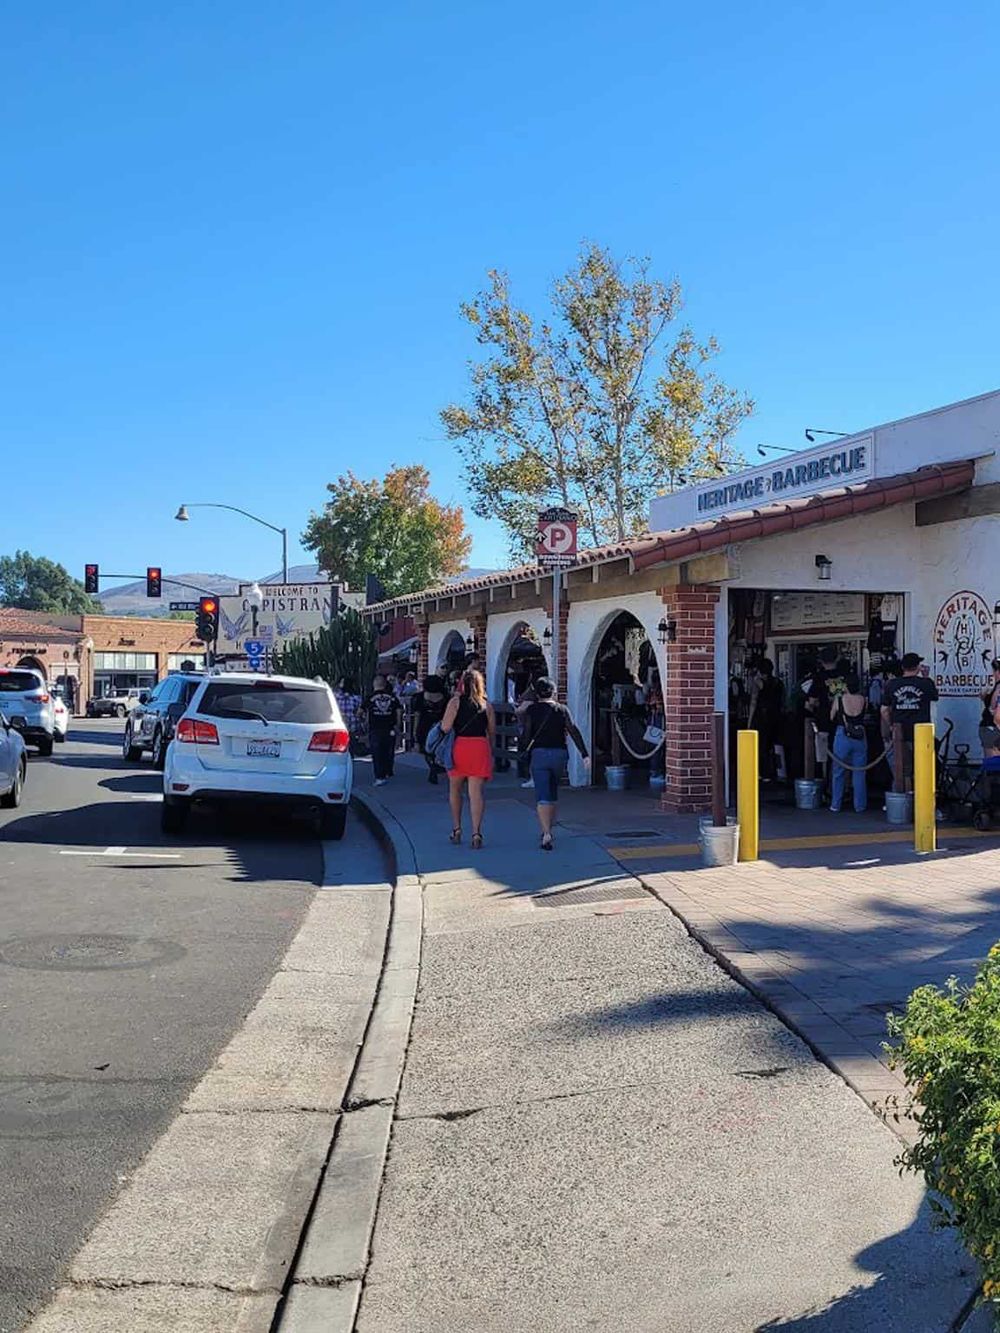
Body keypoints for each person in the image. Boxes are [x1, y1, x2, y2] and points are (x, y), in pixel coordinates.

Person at [521, 677, 589, 850]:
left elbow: (527, 734)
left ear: (537, 693)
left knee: (542, 794)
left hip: (539, 754)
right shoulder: (562, 709)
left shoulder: (532, 710)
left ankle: (546, 833)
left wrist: (523, 751)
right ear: (554, 692)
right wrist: (584, 754)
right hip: (559, 754)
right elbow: (573, 730)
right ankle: (550, 827)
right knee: (552, 790)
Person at [440, 668, 495, 849]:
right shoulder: (486, 705)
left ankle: (456, 829)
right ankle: (476, 832)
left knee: (455, 790)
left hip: (460, 746)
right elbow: (492, 732)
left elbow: (446, 727)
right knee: (476, 793)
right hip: (479, 746)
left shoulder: (455, 702)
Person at [881, 651, 939, 786]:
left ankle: (902, 801)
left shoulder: (892, 684)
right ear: (918, 666)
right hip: (921, 734)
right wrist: (926, 677)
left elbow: (884, 709)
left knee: (901, 771)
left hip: (899, 733)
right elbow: (935, 697)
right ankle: (922, 800)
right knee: (922, 770)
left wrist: (891, 725)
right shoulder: (926, 683)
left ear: (903, 667)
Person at [829, 671, 868, 813]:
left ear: (845, 685)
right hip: (860, 734)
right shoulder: (864, 699)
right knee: (859, 772)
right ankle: (860, 806)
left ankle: (835, 804)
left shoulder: (839, 698)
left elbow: (831, 715)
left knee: (838, 771)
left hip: (842, 734)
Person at [747, 659, 783, 781]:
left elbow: (753, 701)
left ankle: (760, 772)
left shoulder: (758, 683)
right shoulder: (778, 682)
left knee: (759, 746)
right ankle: (774, 771)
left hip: (761, 716)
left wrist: (749, 721)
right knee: (771, 745)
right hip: (776, 716)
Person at [363, 674, 402, 786]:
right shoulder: (393, 697)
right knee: (388, 750)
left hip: (375, 728)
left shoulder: (370, 697)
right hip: (390, 727)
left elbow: (360, 711)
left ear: (375, 684)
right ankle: (388, 770)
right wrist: (398, 724)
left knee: (377, 752)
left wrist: (364, 721)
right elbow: (399, 711)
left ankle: (379, 776)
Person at [413, 674, 448, 784]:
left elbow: (417, 715)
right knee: (440, 746)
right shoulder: (446, 697)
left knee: (426, 749)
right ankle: (438, 764)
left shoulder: (419, 697)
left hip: (424, 725)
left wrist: (415, 732)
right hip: (440, 725)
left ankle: (432, 765)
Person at [980, 660, 1000, 757]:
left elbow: (992, 709)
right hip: (990, 726)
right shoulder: (994, 686)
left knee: (991, 763)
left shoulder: (998, 687)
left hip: (992, 727)